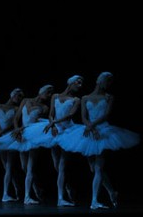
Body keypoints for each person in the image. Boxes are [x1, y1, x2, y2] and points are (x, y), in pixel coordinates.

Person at [58, 72, 140, 209]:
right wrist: (89, 126)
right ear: (100, 81)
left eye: (110, 82)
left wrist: (93, 126)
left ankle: (94, 201)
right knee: (93, 168)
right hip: (89, 131)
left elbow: (107, 115)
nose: (109, 84)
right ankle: (112, 192)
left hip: (103, 132)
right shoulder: (85, 98)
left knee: (98, 167)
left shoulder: (109, 97)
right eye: (107, 81)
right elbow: (84, 116)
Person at [8, 84, 54, 205]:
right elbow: (16, 118)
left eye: (51, 93)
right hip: (22, 135)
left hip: (34, 135)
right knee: (24, 166)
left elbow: (40, 123)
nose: (49, 95)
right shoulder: (25, 100)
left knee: (30, 167)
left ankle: (27, 196)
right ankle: (36, 188)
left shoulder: (44, 108)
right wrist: (17, 129)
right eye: (48, 92)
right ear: (41, 91)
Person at [42, 75, 83, 206]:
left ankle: (60, 198)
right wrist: (52, 125)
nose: (80, 85)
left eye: (81, 83)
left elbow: (70, 115)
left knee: (62, 164)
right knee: (56, 164)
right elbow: (51, 114)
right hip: (54, 129)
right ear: (70, 83)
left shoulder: (77, 99)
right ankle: (68, 187)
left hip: (68, 131)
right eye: (78, 82)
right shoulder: (55, 96)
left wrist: (54, 122)